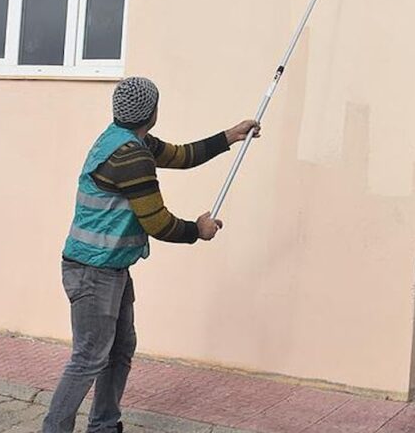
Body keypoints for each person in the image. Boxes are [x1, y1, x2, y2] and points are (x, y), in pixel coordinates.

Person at [42, 77, 260, 433]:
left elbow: (181, 155)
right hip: (93, 273)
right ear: (152, 112)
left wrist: (229, 136)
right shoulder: (131, 156)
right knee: (89, 357)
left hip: (110, 268)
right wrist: (197, 230)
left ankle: (104, 425)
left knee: (119, 349)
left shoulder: (125, 139)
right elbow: (157, 222)